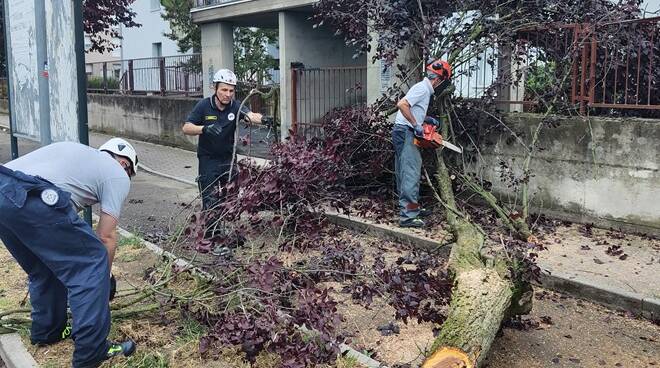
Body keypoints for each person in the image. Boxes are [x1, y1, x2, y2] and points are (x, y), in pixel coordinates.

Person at [0, 138, 138, 368]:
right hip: (37, 196)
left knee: (43, 268)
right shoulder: (117, 174)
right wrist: (104, 276)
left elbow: (58, 235)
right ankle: (92, 350)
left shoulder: (74, 153)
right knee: (92, 262)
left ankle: (48, 331)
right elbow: (106, 236)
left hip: (4, 189)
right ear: (125, 163)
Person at [182, 69, 272, 226]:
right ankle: (212, 237)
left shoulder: (235, 106)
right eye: (224, 89)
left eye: (231, 90)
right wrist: (204, 129)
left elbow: (250, 115)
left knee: (230, 198)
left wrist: (264, 119)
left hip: (228, 160)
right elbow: (186, 127)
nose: (228, 94)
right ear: (215, 88)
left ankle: (226, 233)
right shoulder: (204, 106)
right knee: (210, 199)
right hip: (208, 160)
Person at [392, 59, 452, 228]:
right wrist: (416, 125)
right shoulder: (422, 89)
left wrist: (425, 119)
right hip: (406, 132)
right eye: (443, 82)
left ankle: (412, 208)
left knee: (404, 172)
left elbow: (412, 108)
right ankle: (408, 217)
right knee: (411, 172)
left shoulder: (423, 89)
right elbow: (402, 105)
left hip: (402, 131)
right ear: (439, 79)